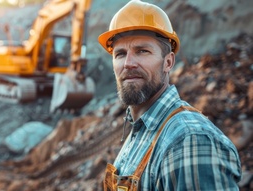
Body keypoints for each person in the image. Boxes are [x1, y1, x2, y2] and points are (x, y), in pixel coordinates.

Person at [97, 0, 242, 190]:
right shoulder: (141, 129)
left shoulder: (189, 140)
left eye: (142, 51)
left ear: (168, 62)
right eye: (120, 54)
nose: (128, 63)